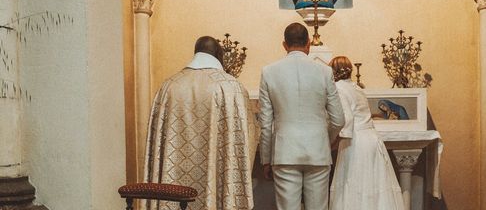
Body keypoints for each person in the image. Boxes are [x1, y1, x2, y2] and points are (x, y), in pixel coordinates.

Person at [145, 36, 259, 210]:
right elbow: (247, 135)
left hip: (173, 184)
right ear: (219, 55)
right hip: (218, 183)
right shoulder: (231, 87)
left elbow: (156, 140)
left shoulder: (169, 86)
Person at [259, 23, 345, 210]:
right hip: (318, 152)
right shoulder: (325, 71)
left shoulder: (269, 72)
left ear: (284, 45)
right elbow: (338, 119)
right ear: (308, 44)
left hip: (285, 153)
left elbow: (265, 123)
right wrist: (326, 141)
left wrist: (266, 158)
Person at [328, 56, 404, 210]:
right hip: (371, 139)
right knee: (373, 186)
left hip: (356, 143)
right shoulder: (357, 88)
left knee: (355, 186)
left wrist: (332, 142)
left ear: (333, 71)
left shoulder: (339, 89)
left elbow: (346, 120)